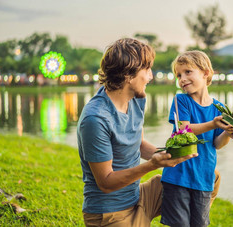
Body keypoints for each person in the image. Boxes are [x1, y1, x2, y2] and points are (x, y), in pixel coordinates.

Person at [77, 38, 198, 227]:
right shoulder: (96, 119)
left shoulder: (136, 98)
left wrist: (174, 155)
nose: (150, 76)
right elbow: (106, 183)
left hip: (138, 198)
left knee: (203, 178)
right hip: (111, 214)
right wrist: (152, 165)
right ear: (128, 74)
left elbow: (139, 145)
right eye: (147, 70)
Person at [160, 50, 233, 227]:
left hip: (203, 177)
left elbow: (217, 144)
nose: (182, 79)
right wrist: (214, 124)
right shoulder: (181, 100)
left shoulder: (218, 107)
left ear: (205, 73)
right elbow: (184, 129)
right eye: (178, 75)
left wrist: (229, 132)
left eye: (187, 72)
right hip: (178, 176)